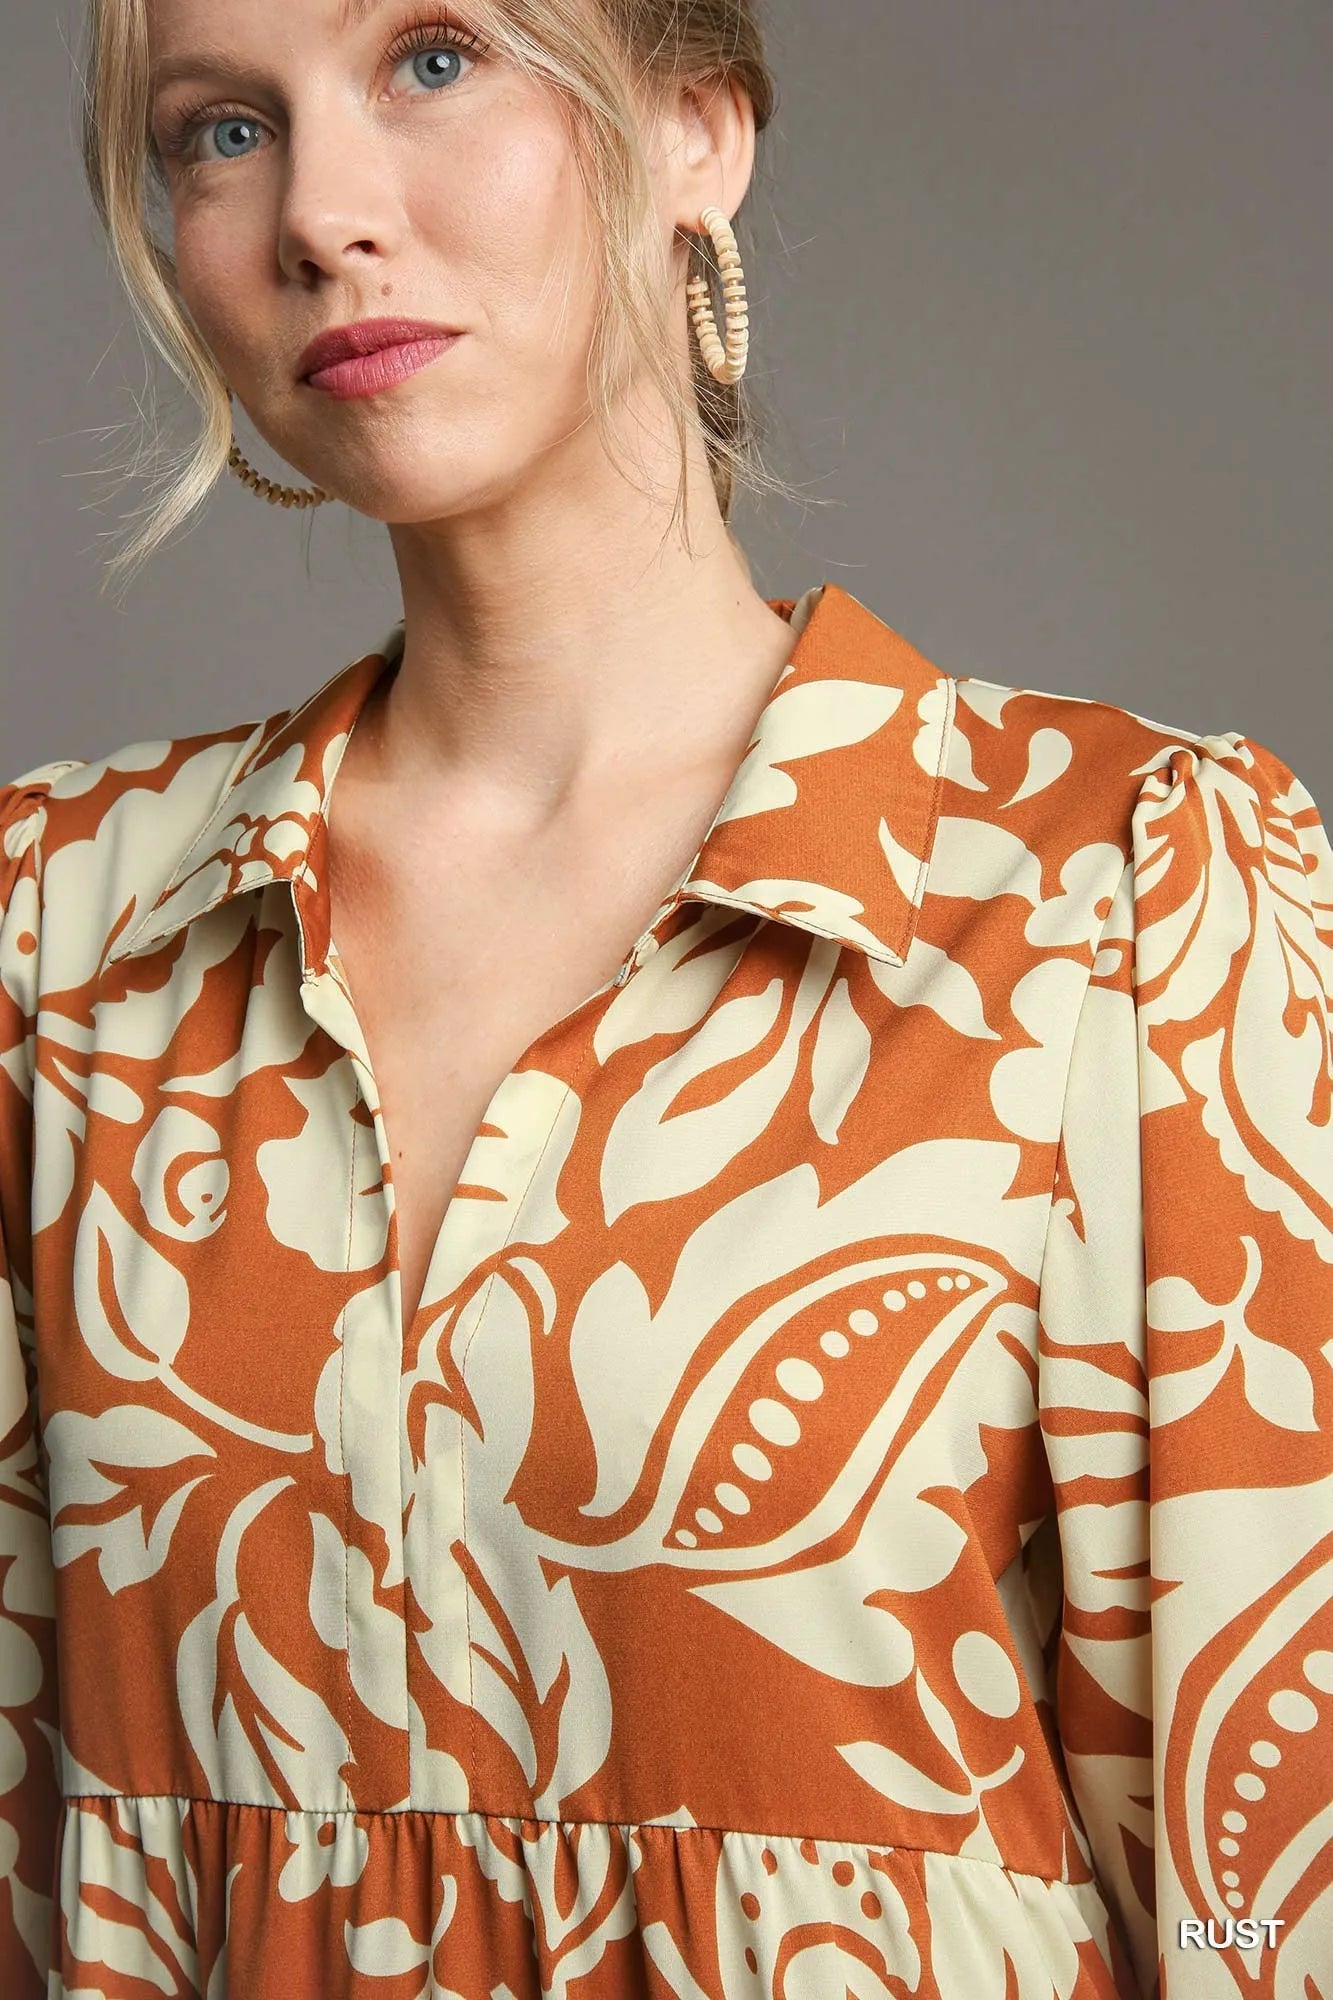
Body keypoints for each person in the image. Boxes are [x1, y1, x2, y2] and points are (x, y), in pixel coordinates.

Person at [2, 0, 1330, 1994]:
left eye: (432, 58)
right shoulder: (62, 935)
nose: (321, 213)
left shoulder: (1115, 896)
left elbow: (1267, 1881)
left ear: (697, 130)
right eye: (221, 131)